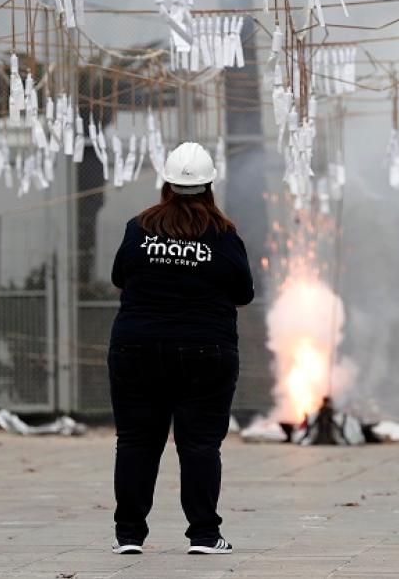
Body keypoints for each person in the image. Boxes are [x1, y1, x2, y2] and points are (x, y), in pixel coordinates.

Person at [106, 142, 254, 556]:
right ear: (209, 186)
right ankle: (205, 535)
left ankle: (129, 535)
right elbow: (244, 292)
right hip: (206, 352)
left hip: (136, 348)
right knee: (201, 444)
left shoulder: (139, 228)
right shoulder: (223, 234)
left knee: (136, 441)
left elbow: (120, 275)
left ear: (166, 184)